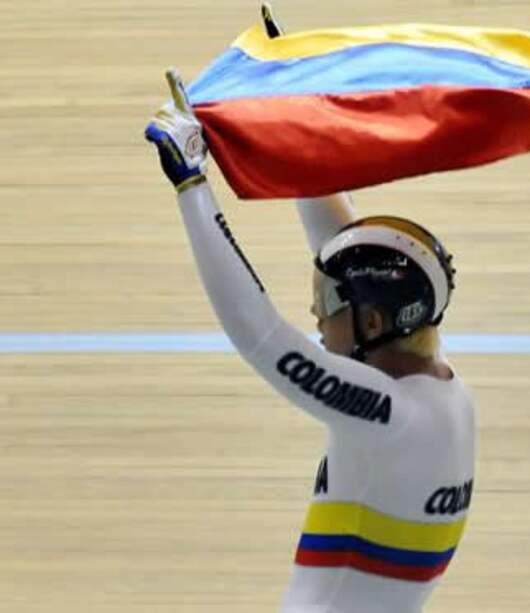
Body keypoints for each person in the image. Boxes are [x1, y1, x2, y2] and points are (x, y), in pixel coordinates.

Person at [143, 11, 477, 609]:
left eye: (328, 305)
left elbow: (262, 336)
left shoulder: (391, 415)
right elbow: (343, 247)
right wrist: (288, 115)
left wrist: (192, 188)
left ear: (374, 323)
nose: (317, 319)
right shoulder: (433, 385)